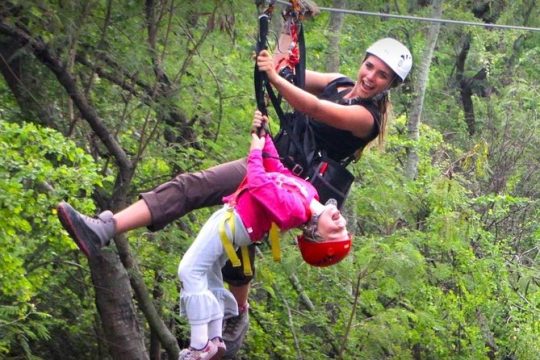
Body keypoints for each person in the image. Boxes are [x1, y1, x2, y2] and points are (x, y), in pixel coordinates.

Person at [56, 14, 412, 356]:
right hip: (270, 160)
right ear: (362, 62)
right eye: (370, 66)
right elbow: (289, 69)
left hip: (292, 188)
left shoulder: (366, 119)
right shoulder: (339, 82)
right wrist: (289, 25)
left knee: (235, 240)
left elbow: (314, 107)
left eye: (382, 76)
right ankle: (104, 228)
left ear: (390, 85)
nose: (371, 77)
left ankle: (236, 316)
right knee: (192, 187)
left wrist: (275, 77)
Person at [176, 110, 351, 359]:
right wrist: (265, 135)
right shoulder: (309, 192)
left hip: (234, 223)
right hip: (232, 217)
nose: (340, 222)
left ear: (314, 234)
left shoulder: (294, 211)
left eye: (335, 231)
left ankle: (199, 344)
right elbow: (276, 168)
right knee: (210, 274)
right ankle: (215, 338)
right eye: (343, 227)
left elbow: (258, 183)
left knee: (189, 270)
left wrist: (255, 150)